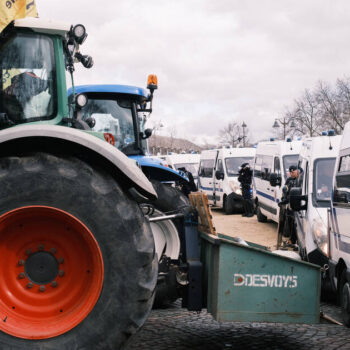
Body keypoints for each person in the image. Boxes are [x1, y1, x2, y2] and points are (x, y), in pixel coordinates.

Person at [278, 165, 299, 246]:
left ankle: (295, 240)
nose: (291, 173)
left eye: (293, 172)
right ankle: (291, 240)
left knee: (295, 224)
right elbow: (285, 191)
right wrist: (283, 200)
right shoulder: (289, 180)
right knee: (289, 223)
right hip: (289, 205)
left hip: (297, 205)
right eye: (290, 172)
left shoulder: (300, 180)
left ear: (297, 171)